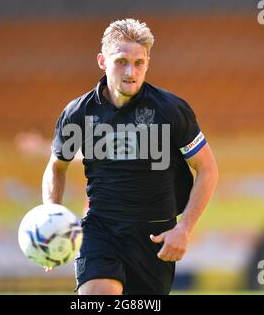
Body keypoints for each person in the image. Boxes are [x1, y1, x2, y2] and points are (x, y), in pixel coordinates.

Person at [42, 18, 218, 295]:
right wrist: (51, 220)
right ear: (102, 61)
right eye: (121, 61)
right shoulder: (78, 113)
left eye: (139, 63)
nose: (131, 72)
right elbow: (56, 168)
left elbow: (207, 168)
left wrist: (184, 229)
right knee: (99, 294)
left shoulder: (170, 110)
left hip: (154, 237)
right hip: (101, 230)